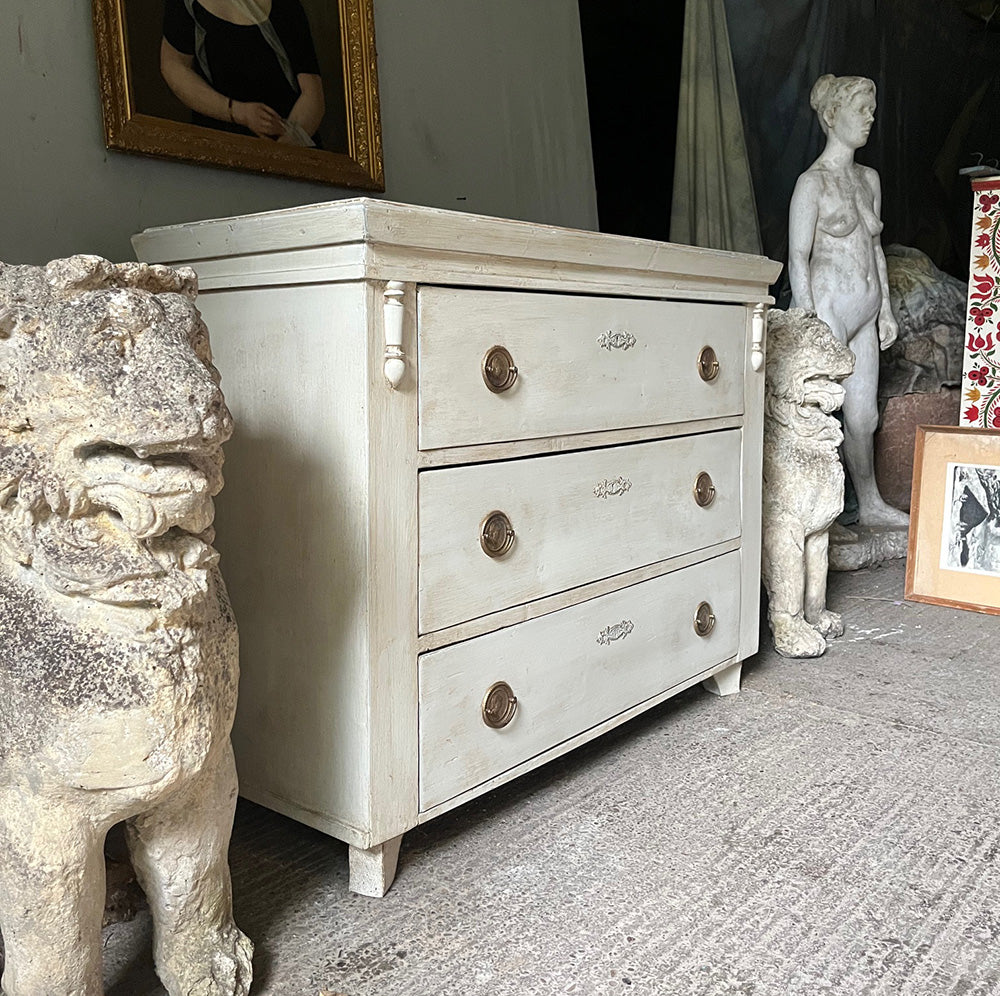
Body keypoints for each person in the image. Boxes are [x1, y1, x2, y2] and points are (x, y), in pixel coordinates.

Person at [788, 74, 908, 528]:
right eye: (861, 109)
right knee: (823, 411)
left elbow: (875, 246)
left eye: (872, 110)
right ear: (832, 116)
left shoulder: (868, 180)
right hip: (829, 308)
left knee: (863, 417)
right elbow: (798, 258)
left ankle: (871, 504)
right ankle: (821, 516)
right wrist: (807, 324)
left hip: (867, 310)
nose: (870, 118)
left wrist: (888, 310)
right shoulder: (811, 184)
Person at [160, 0, 324, 146]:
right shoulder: (188, 6)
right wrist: (238, 112)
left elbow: (312, 94)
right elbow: (174, 67)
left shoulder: (286, 6)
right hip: (221, 147)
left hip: (289, 149)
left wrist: (285, 145)